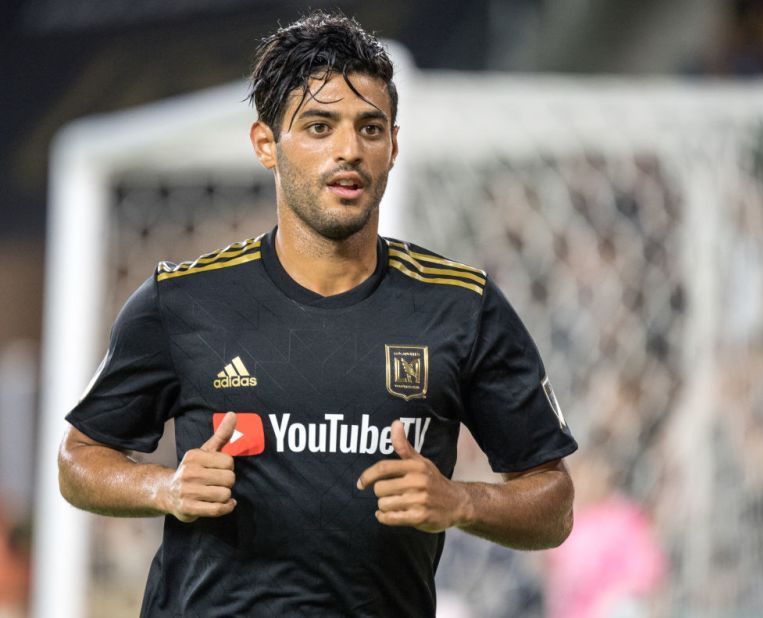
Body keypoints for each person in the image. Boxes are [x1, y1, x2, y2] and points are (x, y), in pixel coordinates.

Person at [58, 12, 578, 617]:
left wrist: (460, 501)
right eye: (319, 126)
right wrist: (164, 487)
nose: (349, 151)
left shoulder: (462, 306)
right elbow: (79, 462)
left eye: (370, 128)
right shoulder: (183, 300)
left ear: (394, 146)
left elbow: (554, 501)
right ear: (265, 146)